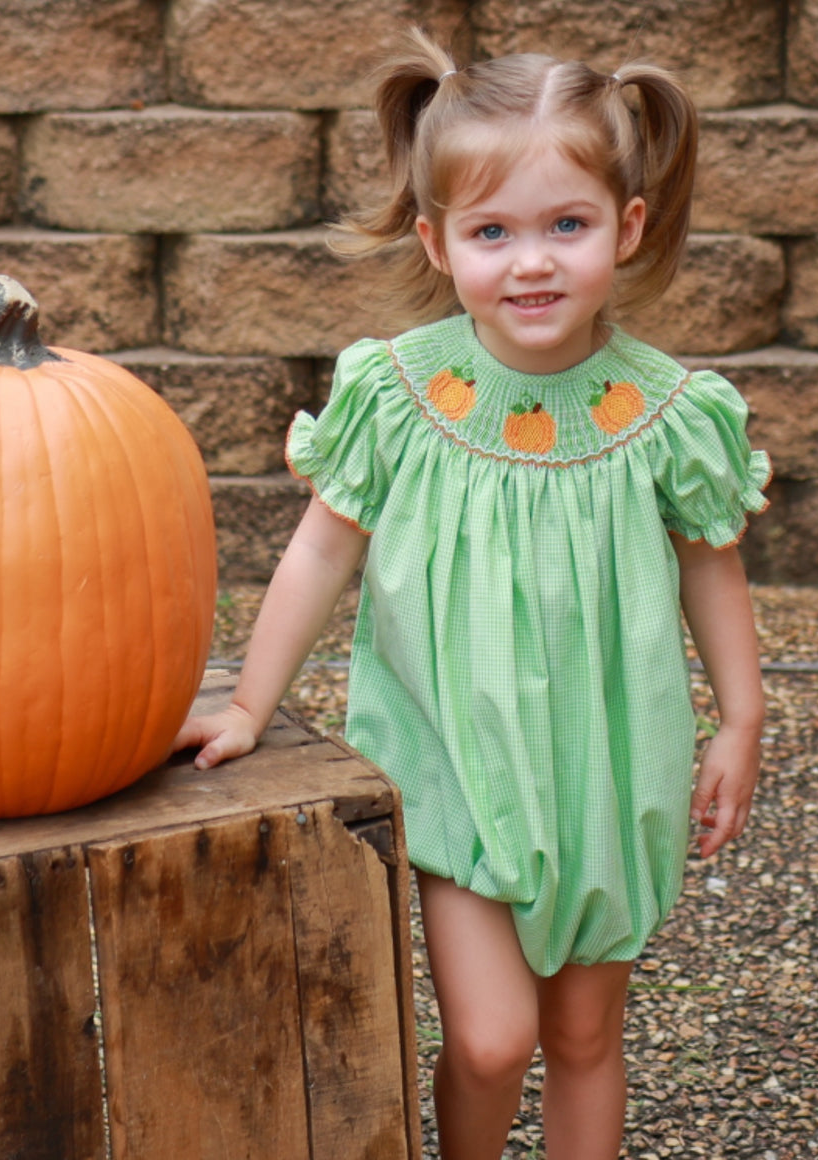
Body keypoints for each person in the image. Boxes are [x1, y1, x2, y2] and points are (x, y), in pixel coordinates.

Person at [174, 27, 769, 1160]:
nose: (531, 261)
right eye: (492, 231)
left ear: (623, 228)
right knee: (493, 1039)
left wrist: (739, 716)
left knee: (588, 1034)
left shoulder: (666, 412)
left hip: (607, 762)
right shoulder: (399, 396)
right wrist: (250, 702)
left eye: (565, 224)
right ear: (437, 243)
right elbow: (315, 553)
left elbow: (708, 558)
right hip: (451, 753)